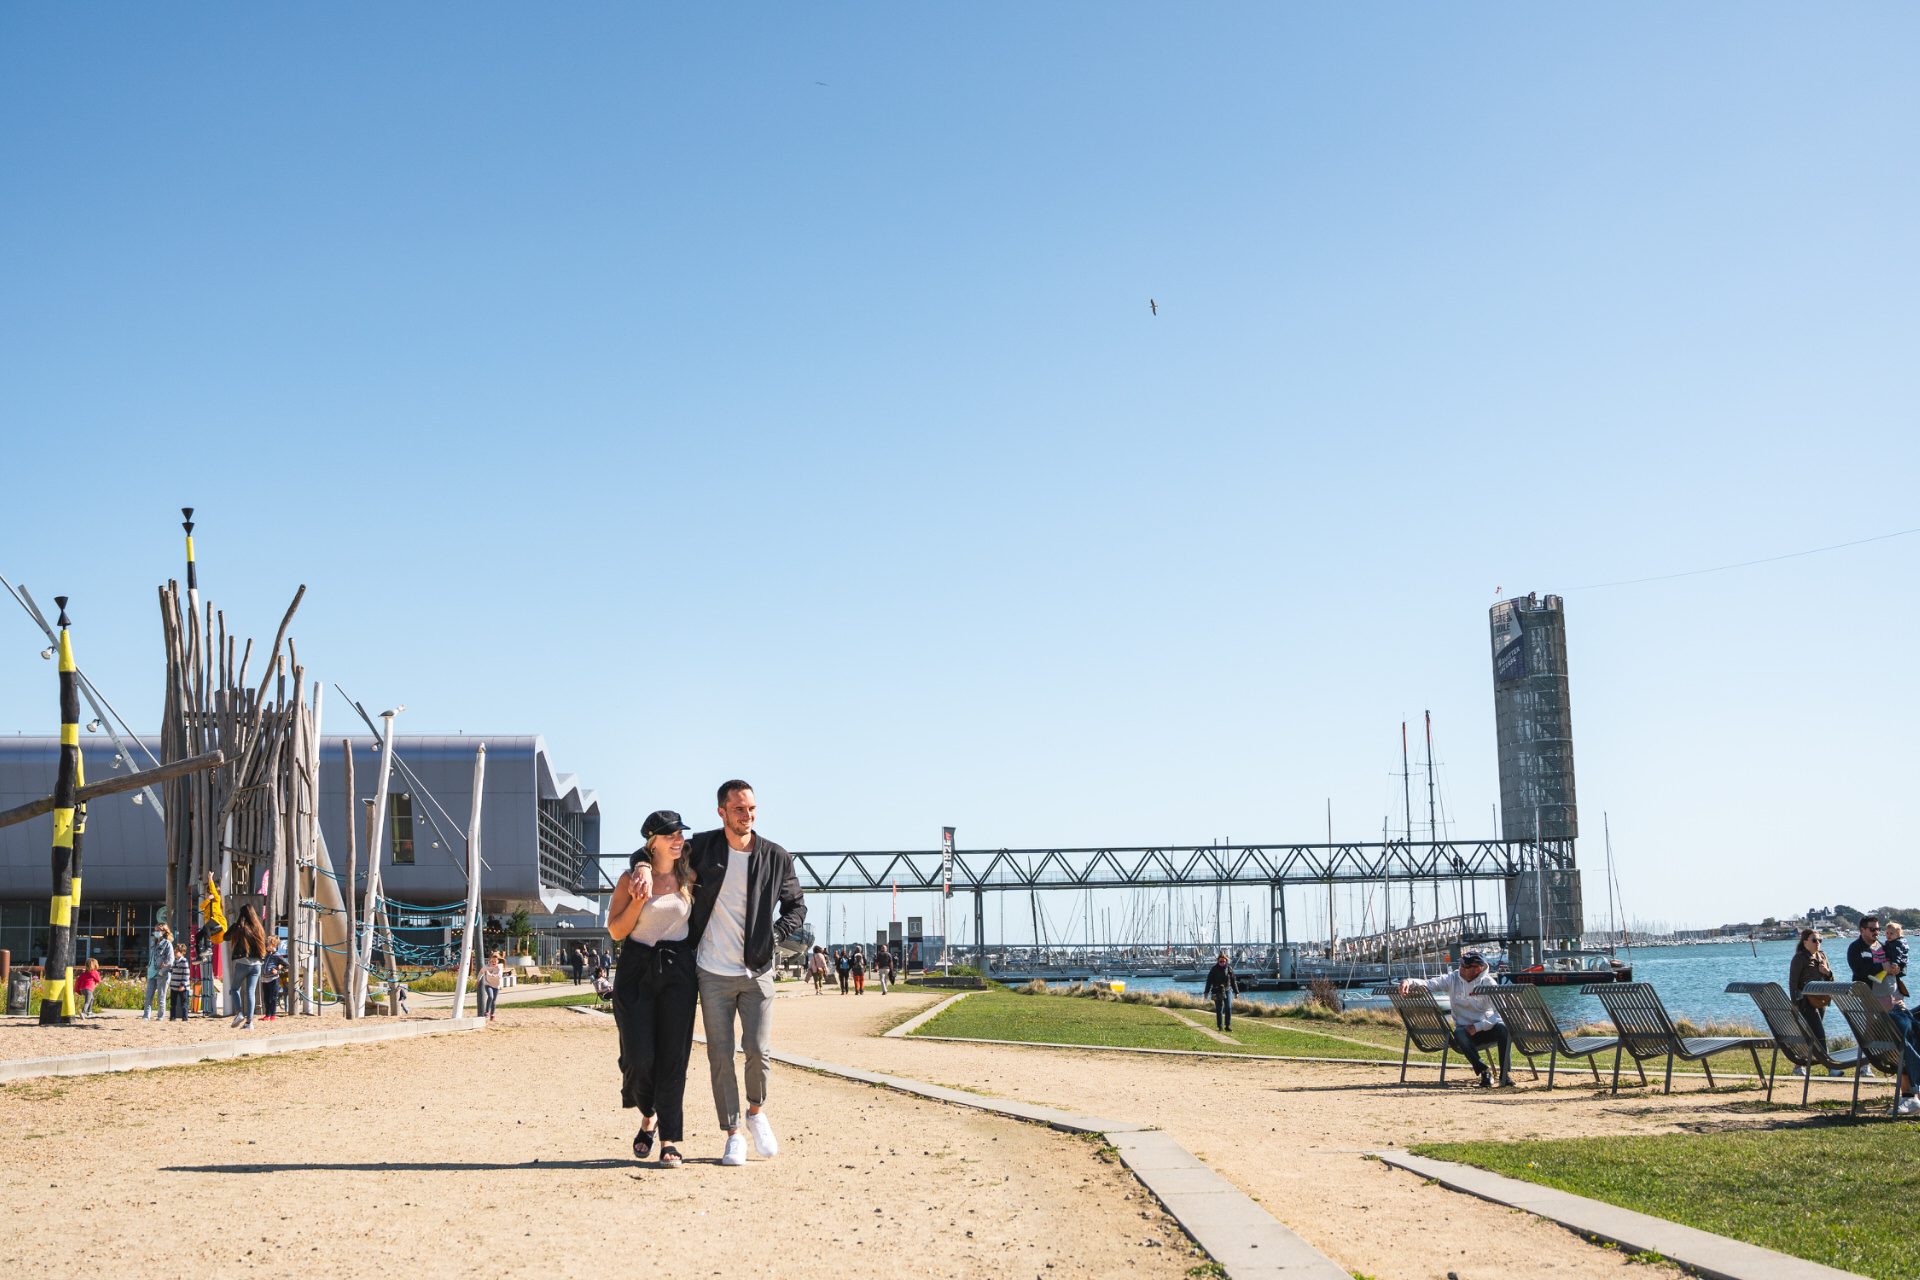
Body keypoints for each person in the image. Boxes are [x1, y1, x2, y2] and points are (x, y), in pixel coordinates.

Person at [676, 780, 806, 1167]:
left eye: (751, 808)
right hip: (711, 971)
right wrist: (644, 867)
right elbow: (655, 848)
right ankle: (733, 1134)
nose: (746, 815)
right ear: (721, 812)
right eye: (738, 809)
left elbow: (797, 908)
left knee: (758, 1050)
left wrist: (774, 935)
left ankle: (756, 1111)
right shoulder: (702, 847)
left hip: (757, 971)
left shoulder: (776, 856)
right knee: (720, 1055)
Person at [606, 810, 700, 1168]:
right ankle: (648, 1114)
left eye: (680, 834)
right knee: (639, 1056)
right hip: (637, 966)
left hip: (678, 970)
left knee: (673, 1058)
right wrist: (639, 897)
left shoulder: (689, 875)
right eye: (670, 835)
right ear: (652, 841)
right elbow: (616, 930)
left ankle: (670, 1139)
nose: (678, 840)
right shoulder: (629, 879)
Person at [1401, 951, 1513, 1087]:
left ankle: (1504, 1075)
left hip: (1486, 1028)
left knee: (1503, 1028)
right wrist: (1408, 981)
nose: (1461, 968)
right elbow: (1430, 984)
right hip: (1465, 1033)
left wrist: (1477, 1027)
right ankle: (1484, 1071)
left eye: (1465, 966)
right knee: (1459, 1033)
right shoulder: (1453, 978)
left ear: (1477, 969)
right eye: (1460, 964)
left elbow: (1500, 1013)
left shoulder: (1488, 983)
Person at [1845, 915, 1920, 1115]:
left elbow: (1898, 965)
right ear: (1862, 930)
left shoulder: (1884, 946)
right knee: (1903, 1040)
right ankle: (1910, 1096)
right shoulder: (1856, 949)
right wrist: (1881, 967)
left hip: (1895, 1003)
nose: (1876, 933)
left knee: (1912, 1032)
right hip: (1876, 1009)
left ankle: (1914, 1095)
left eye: (1878, 929)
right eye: (1872, 929)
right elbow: (1860, 972)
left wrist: (1898, 968)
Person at [1787, 928, 1834, 1060]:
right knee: (1819, 1033)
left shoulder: (1822, 956)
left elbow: (1831, 979)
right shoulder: (1799, 958)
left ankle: (1799, 1063)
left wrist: (1827, 972)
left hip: (1821, 1000)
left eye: (1820, 940)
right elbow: (1793, 983)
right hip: (1805, 1002)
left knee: (1811, 1034)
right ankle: (1830, 1066)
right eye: (1814, 940)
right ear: (1805, 941)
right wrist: (1795, 1004)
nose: (1817, 943)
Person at [227, 905, 269, 1029]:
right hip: (257, 965)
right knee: (251, 992)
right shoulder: (259, 928)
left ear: (242, 915)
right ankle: (249, 1023)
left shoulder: (240, 928)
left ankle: (239, 1013)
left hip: (243, 963)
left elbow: (226, 937)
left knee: (235, 989)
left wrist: (235, 925)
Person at [142, 923, 174, 1020]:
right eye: (155, 930)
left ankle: (160, 1016)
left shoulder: (167, 944)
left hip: (162, 973)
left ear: (164, 931)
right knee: (148, 996)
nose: (156, 932)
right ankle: (146, 1016)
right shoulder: (153, 942)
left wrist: (162, 970)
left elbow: (170, 960)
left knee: (161, 996)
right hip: (151, 972)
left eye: (158, 930)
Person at [1203, 952, 1240, 1031]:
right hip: (1217, 990)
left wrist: (1236, 992)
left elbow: (1233, 980)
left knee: (1228, 1007)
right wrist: (1206, 992)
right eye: (1220, 961)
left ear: (1226, 961)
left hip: (1227, 989)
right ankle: (1220, 1026)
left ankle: (1227, 1026)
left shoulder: (1229, 968)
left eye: (1224, 961)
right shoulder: (1214, 969)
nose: (1222, 963)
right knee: (1219, 1009)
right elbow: (1209, 981)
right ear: (1218, 961)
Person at [260, 937, 289, 1021]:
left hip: (273, 979)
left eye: (268, 945)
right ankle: (267, 1014)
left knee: (273, 997)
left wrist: (278, 970)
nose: (266, 946)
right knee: (266, 998)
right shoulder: (266, 954)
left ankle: (273, 1015)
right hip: (264, 979)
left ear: (273, 945)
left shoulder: (277, 955)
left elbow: (287, 965)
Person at [168, 947, 193, 1021]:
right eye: (175, 950)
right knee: (173, 1003)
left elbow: (186, 974)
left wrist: (183, 985)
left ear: (181, 952)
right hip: (174, 985)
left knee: (184, 1003)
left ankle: (185, 1018)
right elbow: (172, 970)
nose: (175, 952)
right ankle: (172, 1017)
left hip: (182, 986)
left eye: (177, 951)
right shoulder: (175, 961)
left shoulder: (184, 961)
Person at [477, 951, 503, 1022]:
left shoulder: (499, 967)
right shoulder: (486, 967)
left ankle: (492, 1015)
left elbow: (499, 976)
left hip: (496, 985)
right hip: (488, 984)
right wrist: (478, 980)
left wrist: (491, 975)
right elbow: (481, 972)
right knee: (490, 996)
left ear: (497, 961)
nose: (493, 962)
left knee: (494, 1000)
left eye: (495, 961)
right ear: (490, 960)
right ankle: (487, 1011)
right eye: (492, 961)